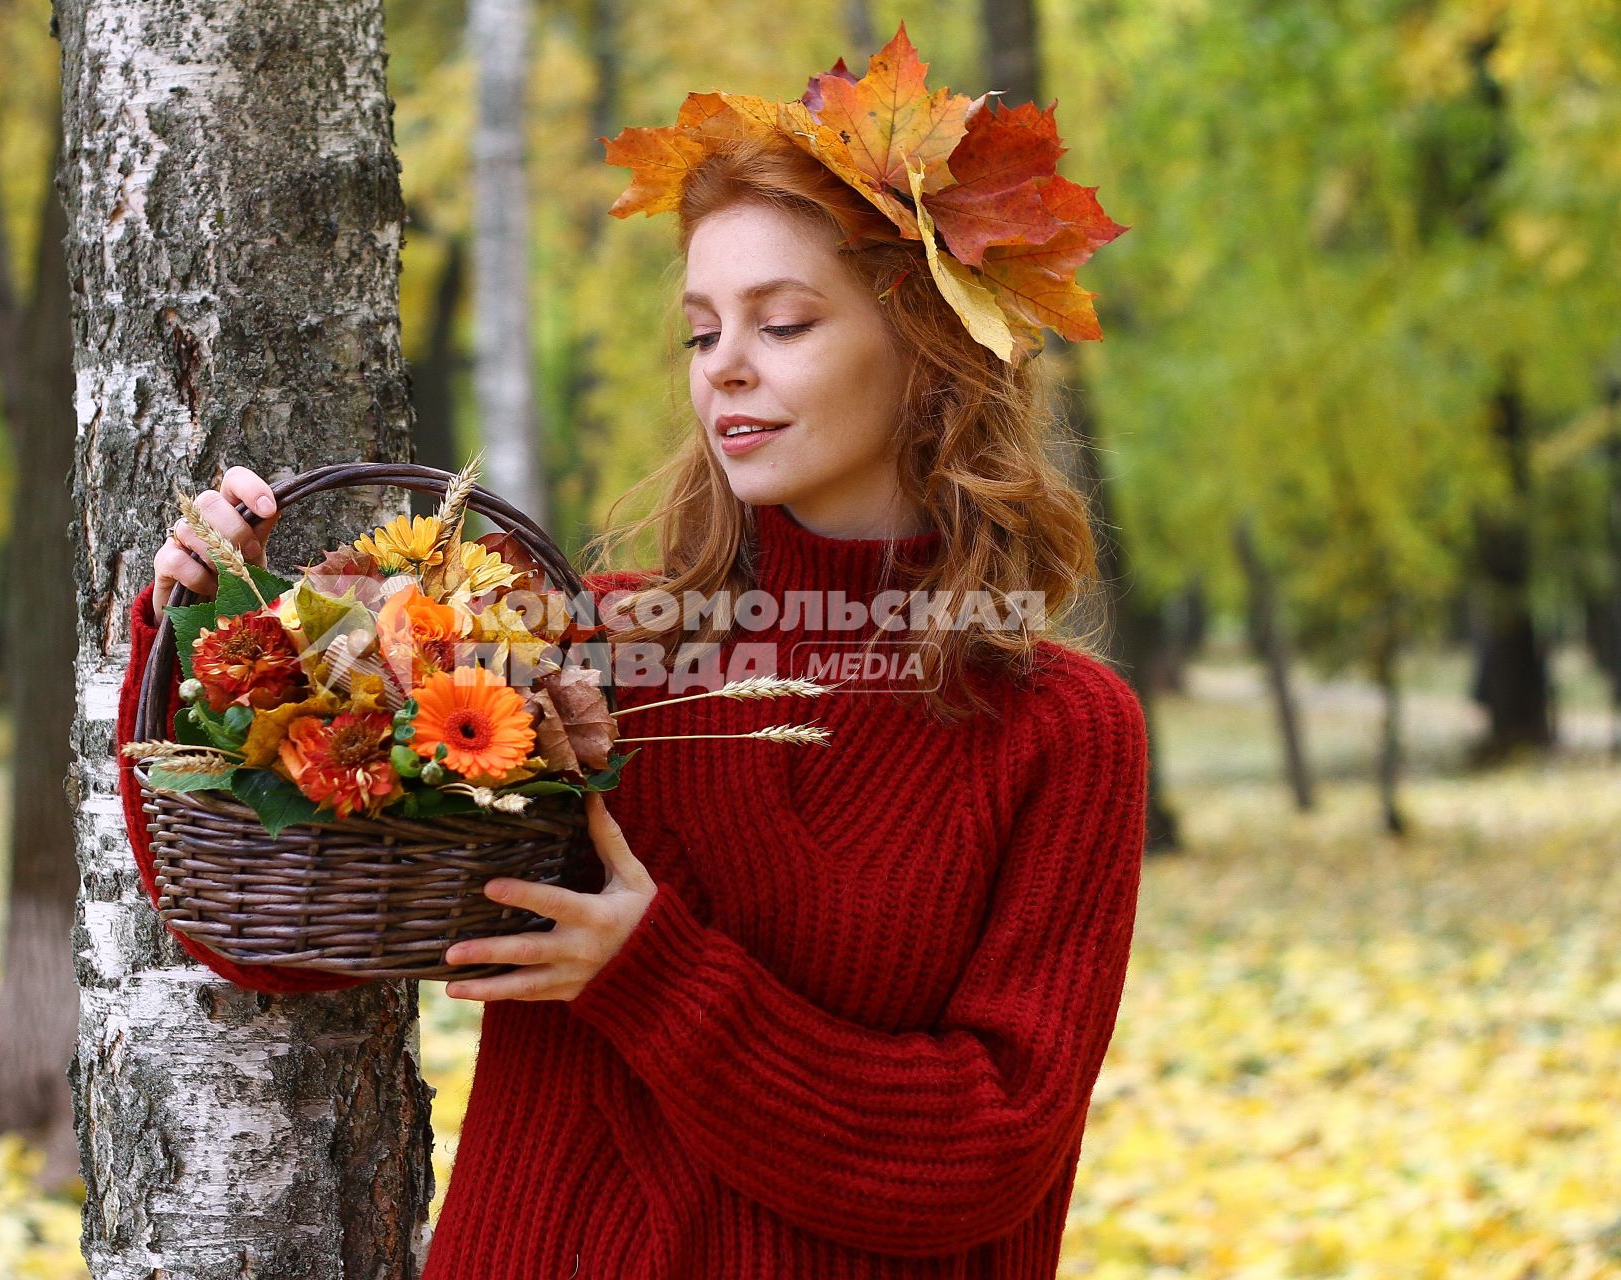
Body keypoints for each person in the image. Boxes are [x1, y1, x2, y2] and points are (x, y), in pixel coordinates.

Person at [125, 26, 1146, 1278]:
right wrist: (209, 640)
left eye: (783, 322)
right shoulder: (584, 646)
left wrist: (653, 979)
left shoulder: (1061, 728)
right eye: (701, 331)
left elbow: (985, 1151)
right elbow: (273, 940)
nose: (727, 371)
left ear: (928, 353)